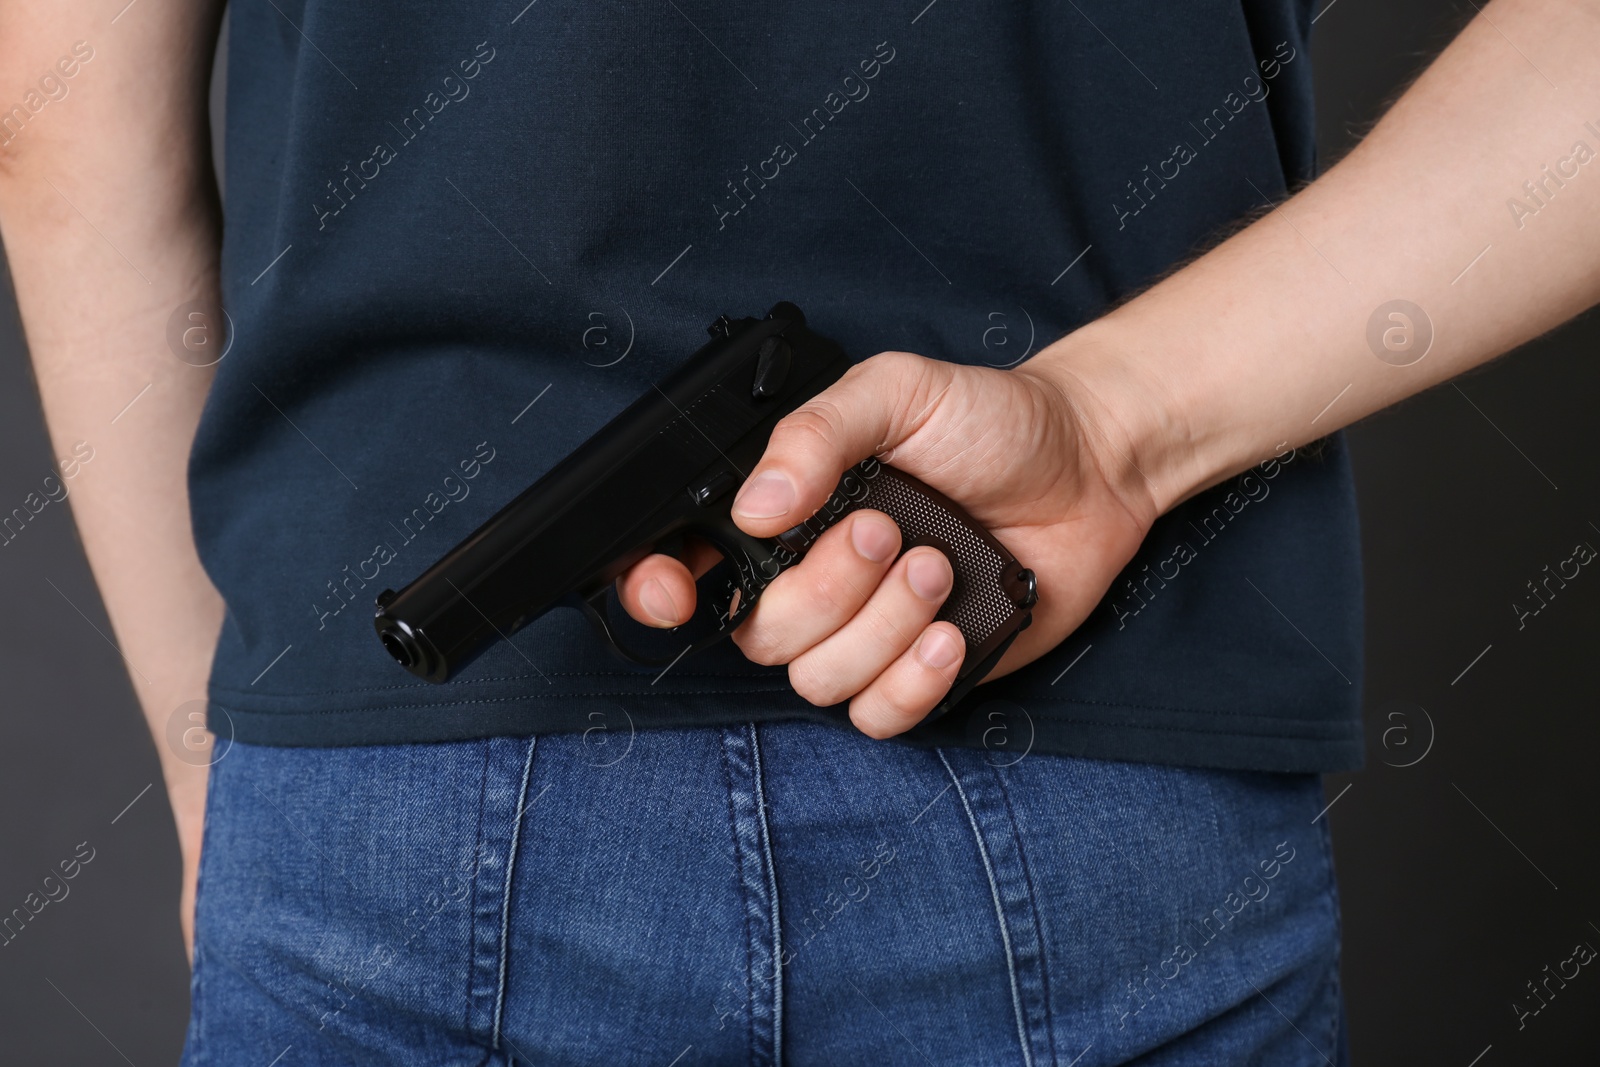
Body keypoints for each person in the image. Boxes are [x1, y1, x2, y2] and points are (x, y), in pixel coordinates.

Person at [0, 0, 1592, 1061]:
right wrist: (1113, 423)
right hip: (1115, 777)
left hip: (388, 802)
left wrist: (216, 757)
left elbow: (55, 126)